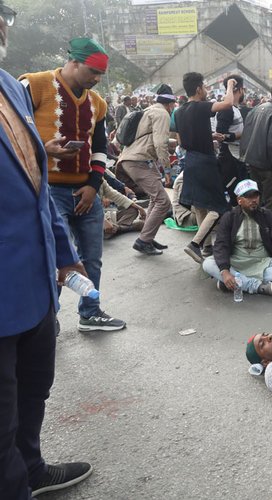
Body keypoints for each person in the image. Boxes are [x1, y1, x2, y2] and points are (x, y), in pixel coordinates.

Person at [0, 9, 94, 497]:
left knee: (34, 390)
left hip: (36, 286)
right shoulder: (32, 82)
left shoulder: (10, 89)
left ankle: (32, 469)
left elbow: (35, 185)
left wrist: (64, 253)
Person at [21, 37, 126, 332]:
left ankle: (90, 313)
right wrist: (44, 149)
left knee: (92, 259)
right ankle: (45, 320)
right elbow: (10, 132)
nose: (96, 79)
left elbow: (101, 149)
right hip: (46, 191)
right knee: (51, 259)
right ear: (74, 62)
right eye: (93, 72)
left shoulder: (98, 104)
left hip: (86, 191)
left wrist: (94, 185)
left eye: (100, 75)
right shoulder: (33, 85)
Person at [175, 72, 236, 264]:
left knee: (200, 205)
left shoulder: (179, 111)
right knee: (219, 206)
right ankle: (195, 244)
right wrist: (230, 85)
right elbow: (227, 104)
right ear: (199, 88)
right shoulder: (200, 107)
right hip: (205, 161)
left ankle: (207, 246)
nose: (206, 90)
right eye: (205, 87)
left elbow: (181, 139)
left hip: (190, 160)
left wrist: (209, 136)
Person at [202, 179, 272, 297]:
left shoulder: (266, 215)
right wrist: (225, 271)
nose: (254, 200)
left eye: (255, 196)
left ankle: (233, 282)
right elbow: (221, 245)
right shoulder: (230, 217)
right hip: (236, 261)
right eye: (248, 197)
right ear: (239, 200)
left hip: (262, 262)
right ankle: (256, 286)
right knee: (208, 263)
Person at [118, 83, 175, 256]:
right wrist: (167, 171)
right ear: (171, 103)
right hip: (138, 161)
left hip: (133, 158)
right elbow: (160, 143)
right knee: (163, 201)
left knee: (154, 199)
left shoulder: (149, 110)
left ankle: (147, 237)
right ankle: (143, 241)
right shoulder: (162, 114)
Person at [240, 82, 272, 215]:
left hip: (251, 161)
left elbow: (245, 135)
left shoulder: (256, 109)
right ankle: (268, 233)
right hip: (268, 166)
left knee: (255, 201)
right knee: (271, 205)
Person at [215, 74, 247, 204]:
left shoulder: (235, 108)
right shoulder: (227, 110)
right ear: (240, 89)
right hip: (229, 158)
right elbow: (220, 135)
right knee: (235, 196)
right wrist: (240, 135)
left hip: (236, 157)